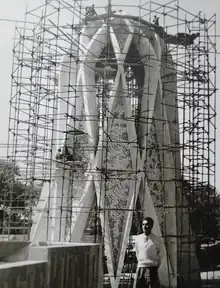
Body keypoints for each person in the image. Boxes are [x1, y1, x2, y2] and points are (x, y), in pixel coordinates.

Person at [134, 217, 165, 288]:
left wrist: (156, 265)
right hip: (141, 268)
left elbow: (162, 254)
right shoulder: (138, 238)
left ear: (151, 226)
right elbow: (137, 253)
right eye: (143, 224)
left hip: (152, 268)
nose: (144, 226)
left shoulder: (157, 239)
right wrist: (141, 263)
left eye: (147, 224)